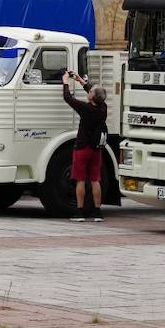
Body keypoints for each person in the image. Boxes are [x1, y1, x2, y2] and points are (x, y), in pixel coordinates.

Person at [61, 70, 107, 223]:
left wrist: (66, 81)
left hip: (82, 149)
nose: (89, 92)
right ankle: (97, 212)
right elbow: (93, 91)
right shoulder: (103, 108)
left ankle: (79, 212)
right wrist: (80, 80)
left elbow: (68, 98)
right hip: (96, 149)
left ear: (91, 97)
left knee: (80, 180)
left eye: (91, 92)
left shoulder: (86, 109)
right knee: (95, 180)